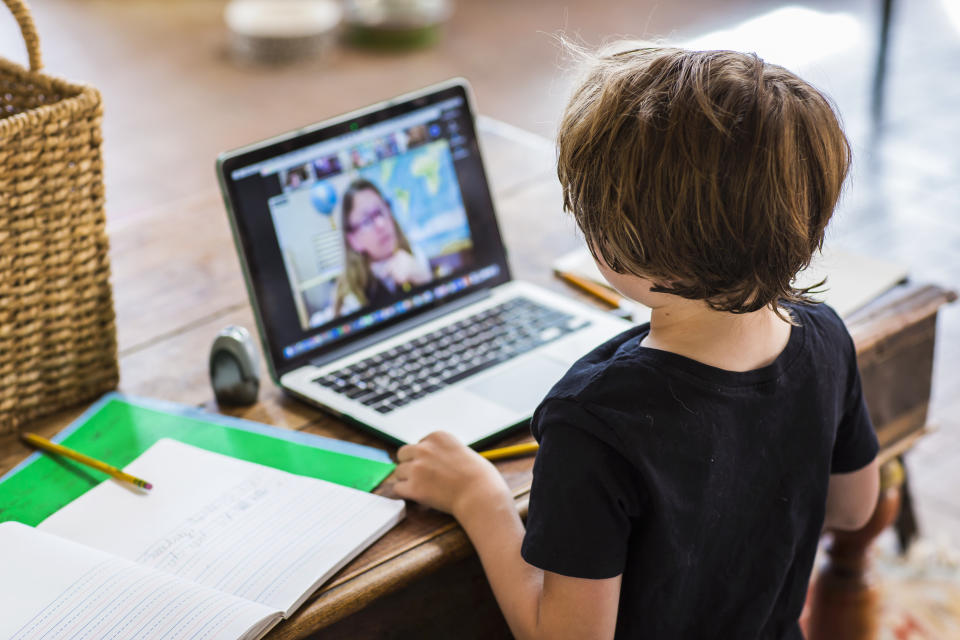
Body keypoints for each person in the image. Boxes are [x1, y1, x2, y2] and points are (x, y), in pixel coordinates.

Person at [393, 46, 880, 639]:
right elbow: (854, 507)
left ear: (616, 245)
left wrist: (480, 498)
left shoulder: (595, 420)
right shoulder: (824, 333)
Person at [331, 178, 432, 317]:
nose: (380, 223)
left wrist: (425, 279)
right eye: (367, 220)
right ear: (353, 240)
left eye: (380, 211)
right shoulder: (351, 300)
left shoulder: (416, 255)